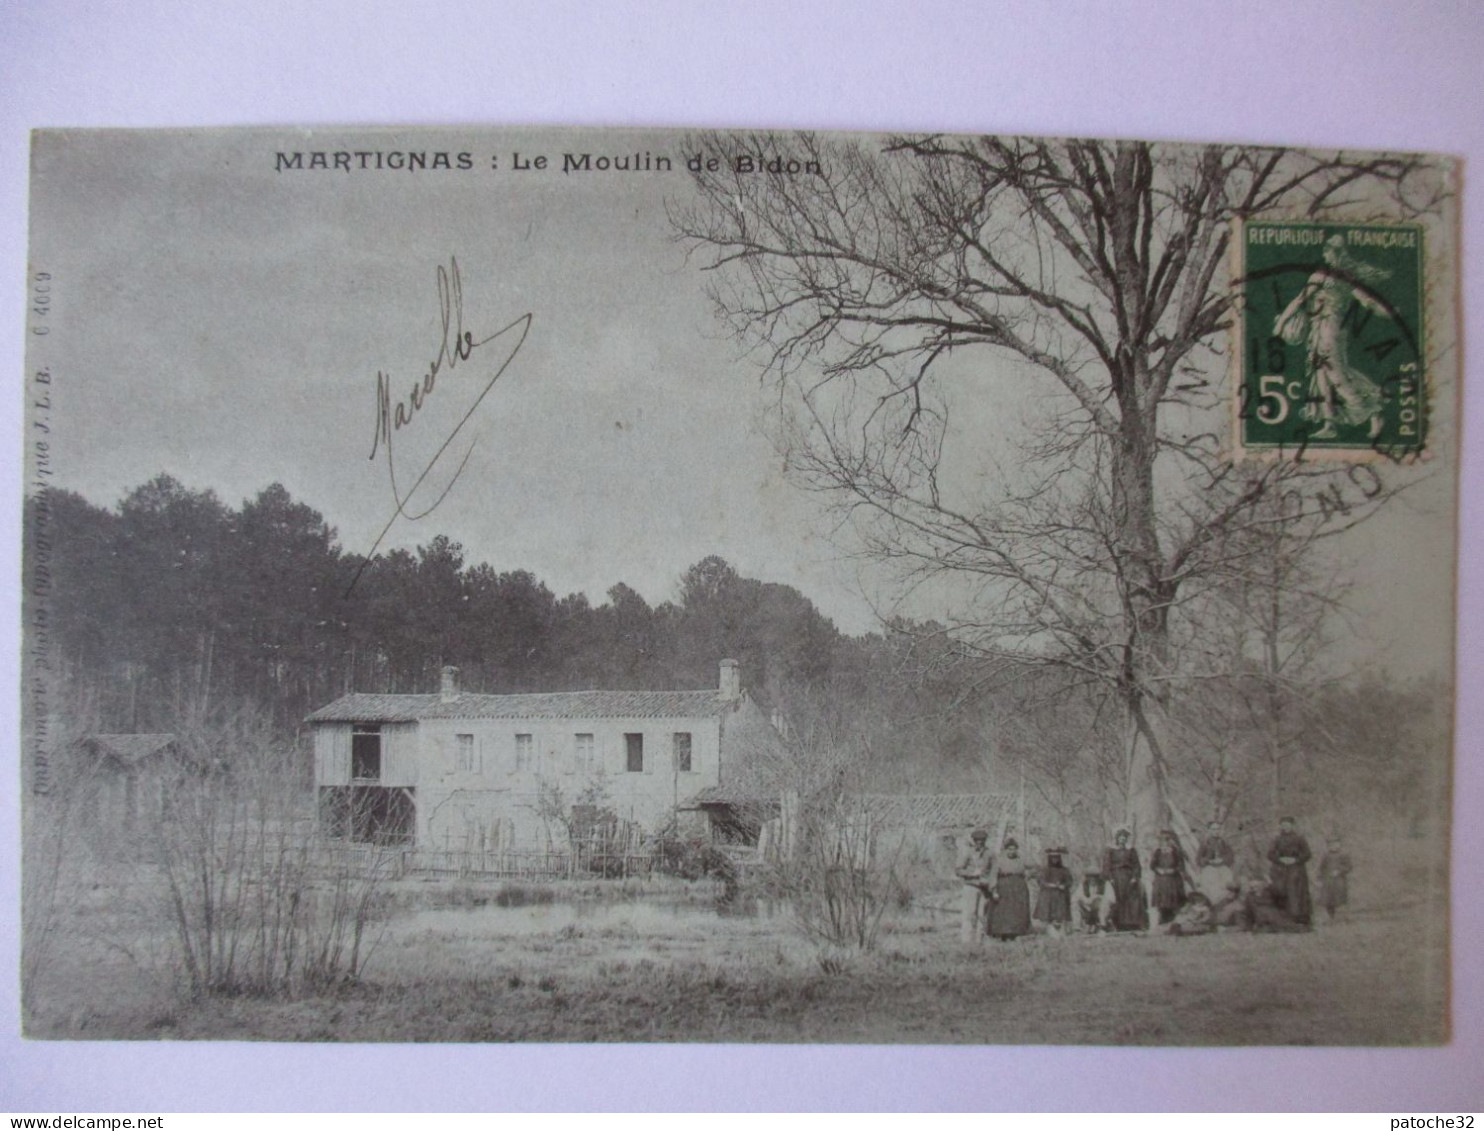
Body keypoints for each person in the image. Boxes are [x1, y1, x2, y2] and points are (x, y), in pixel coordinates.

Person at [1273, 234, 1392, 441]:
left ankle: (1373, 411)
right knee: (1321, 377)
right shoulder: (1335, 278)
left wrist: (1281, 323)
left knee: (1337, 375)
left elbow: (1300, 300)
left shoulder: (1329, 278)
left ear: (1337, 254)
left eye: (1330, 251)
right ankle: (1330, 424)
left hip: (1330, 330)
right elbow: (1367, 301)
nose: (1326, 255)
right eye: (1326, 251)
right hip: (1319, 330)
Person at [1267, 816, 1314, 927]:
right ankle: (1283, 917)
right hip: (1281, 870)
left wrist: (1295, 860)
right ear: (1280, 826)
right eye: (1283, 824)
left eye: (1288, 824)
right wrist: (1280, 859)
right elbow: (1270, 854)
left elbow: (1307, 854)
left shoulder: (1300, 838)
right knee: (1281, 890)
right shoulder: (1277, 839)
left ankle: (1299, 917)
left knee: (1296, 892)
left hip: (1296, 869)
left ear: (1293, 826)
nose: (1285, 827)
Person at [986, 838, 1032, 940]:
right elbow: (993, 875)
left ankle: (1015, 934)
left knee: (1017, 911)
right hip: (1004, 888)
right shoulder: (999, 860)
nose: (1012, 851)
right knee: (1003, 911)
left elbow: (1035, 867)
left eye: (1014, 849)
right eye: (1009, 849)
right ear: (1005, 850)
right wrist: (993, 890)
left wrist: (1029, 874)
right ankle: (1003, 934)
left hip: (1019, 889)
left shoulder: (1021, 860)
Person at [1101, 828, 1146, 931]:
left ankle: (1133, 923)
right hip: (1116, 877)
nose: (1122, 840)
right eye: (1120, 837)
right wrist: (1110, 878)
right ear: (1117, 839)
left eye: (1124, 838)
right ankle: (1119, 924)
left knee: (1132, 899)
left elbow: (1136, 865)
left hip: (1129, 877)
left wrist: (1134, 877)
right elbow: (1107, 865)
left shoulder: (1131, 851)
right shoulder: (1111, 851)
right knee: (1118, 899)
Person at [955, 827, 994, 943]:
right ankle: (966, 940)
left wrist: (990, 883)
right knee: (969, 914)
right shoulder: (968, 854)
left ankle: (979, 940)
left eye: (982, 840)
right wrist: (971, 874)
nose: (980, 842)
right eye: (977, 840)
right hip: (970, 887)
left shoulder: (989, 854)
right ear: (973, 841)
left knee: (982, 915)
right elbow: (958, 870)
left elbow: (993, 870)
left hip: (984, 888)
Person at [1149, 828, 1187, 925]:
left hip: (1173, 878)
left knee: (1173, 898)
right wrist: (1158, 870)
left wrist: (1173, 870)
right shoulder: (1158, 851)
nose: (1165, 842)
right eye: (1163, 840)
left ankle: (1173, 919)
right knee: (1161, 899)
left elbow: (1181, 865)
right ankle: (1163, 918)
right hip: (1161, 878)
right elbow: (1152, 865)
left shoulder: (1176, 851)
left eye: (1167, 839)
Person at [1033, 847, 1074, 936]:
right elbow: (1041, 881)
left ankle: (1060, 928)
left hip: (1060, 894)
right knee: (1048, 905)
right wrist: (1051, 885)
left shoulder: (1064, 870)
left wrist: (1064, 885)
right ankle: (1049, 928)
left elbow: (1069, 881)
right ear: (1050, 858)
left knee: (1060, 909)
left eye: (1056, 857)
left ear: (1059, 858)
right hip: (1048, 894)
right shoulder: (1045, 870)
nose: (1054, 860)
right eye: (1053, 858)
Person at [1195, 820, 1235, 902]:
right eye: (1213, 829)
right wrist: (1208, 860)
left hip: (1222, 867)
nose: (1216, 831)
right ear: (1209, 830)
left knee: (1227, 883)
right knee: (1212, 885)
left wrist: (1223, 859)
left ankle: (1225, 901)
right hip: (1210, 868)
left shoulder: (1223, 842)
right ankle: (1214, 902)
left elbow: (1231, 855)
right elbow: (1198, 859)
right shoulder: (1205, 843)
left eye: (1218, 829)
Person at [1318, 836, 1353, 924]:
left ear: (1339, 844)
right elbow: (1322, 868)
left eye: (1335, 844)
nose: (1333, 846)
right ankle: (1330, 918)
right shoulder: (1326, 856)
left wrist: (1339, 871)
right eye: (1330, 844)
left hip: (1339, 881)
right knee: (1328, 900)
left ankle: (1344, 918)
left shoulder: (1344, 855)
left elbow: (1349, 867)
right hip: (1328, 881)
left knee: (1340, 899)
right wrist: (1320, 879)